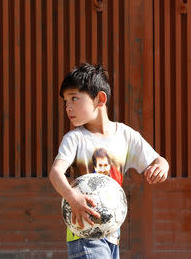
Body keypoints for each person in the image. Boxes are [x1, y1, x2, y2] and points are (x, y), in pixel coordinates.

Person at [49, 63, 169, 259]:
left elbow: (156, 159)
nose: (68, 107)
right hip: (83, 229)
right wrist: (72, 197)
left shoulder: (125, 135)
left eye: (74, 98)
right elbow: (56, 173)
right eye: (65, 102)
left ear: (100, 99)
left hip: (112, 231)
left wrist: (162, 166)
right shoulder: (75, 138)